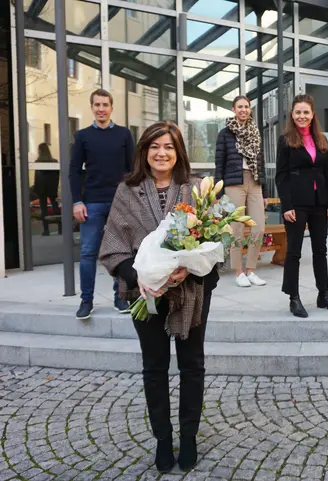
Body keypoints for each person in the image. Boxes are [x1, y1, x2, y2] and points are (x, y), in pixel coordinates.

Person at [99, 121, 219, 473]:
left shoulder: (197, 189)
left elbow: (216, 245)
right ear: (144, 151)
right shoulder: (127, 190)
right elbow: (113, 247)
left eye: (168, 146)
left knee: (192, 366)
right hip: (144, 293)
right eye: (154, 146)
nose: (161, 153)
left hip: (191, 291)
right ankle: (163, 440)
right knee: (154, 368)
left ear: (178, 150)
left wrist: (191, 268)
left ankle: (190, 437)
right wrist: (140, 279)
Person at [275, 94, 328, 318]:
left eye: (306, 112)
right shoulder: (285, 141)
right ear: (292, 115)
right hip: (297, 202)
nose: (302, 116)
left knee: (320, 251)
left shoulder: (322, 140)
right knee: (294, 252)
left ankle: (324, 295)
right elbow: (281, 176)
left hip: (319, 202)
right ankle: (294, 298)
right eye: (298, 112)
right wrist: (287, 205)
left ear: (313, 114)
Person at [70, 89, 134, 320]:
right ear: (92, 107)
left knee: (122, 252)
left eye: (105, 104)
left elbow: (132, 171)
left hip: (120, 203)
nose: (101, 109)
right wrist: (77, 201)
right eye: (97, 104)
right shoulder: (83, 136)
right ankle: (86, 301)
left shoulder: (124, 134)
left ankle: (121, 297)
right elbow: (74, 171)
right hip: (92, 203)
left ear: (111, 107)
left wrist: (132, 201)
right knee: (88, 253)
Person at [215, 95, 268, 288]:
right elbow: (219, 164)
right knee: (236, 229)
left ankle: (251, 270)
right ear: (233, 109)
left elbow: (260, 163)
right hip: (233, 183)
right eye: (240, 107)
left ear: (250, 109)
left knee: (259, 227)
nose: (243, 110)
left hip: (254, 183)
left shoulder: (255, 131)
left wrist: (265, 192)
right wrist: (218, 193)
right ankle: (238, 272)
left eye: (246, 106)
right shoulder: (225, 134)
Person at [33, 143, 60, 236]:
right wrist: (55, 187)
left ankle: (46, 230)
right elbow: (57, 176)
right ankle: (60, 228)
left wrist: (36, 188)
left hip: (42, 189)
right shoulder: (54, 161)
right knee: (55, 207)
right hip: (52, 188)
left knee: (44, 209)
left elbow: (37, 178)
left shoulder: (38, 162)